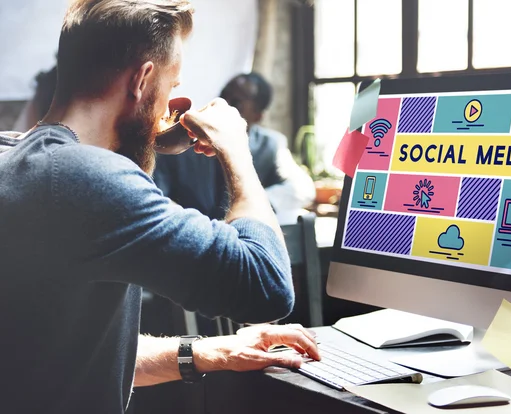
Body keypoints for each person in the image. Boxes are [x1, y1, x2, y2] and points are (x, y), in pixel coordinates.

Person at [0, 1, 319, 413]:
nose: (168, 105)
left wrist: (213, 351)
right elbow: (267, 286)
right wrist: (236, 151)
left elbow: (64, 353)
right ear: (142, 79)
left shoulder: (16, 157)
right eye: (171, 86)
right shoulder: (85, 177)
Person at [153, 72, 316, 224]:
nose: (224, 104)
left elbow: (302, 188)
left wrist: (250, 205)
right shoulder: (182, 141)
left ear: (257, 116)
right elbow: (156, 195)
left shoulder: (270, 145)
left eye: (236, 102)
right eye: (223, 95)